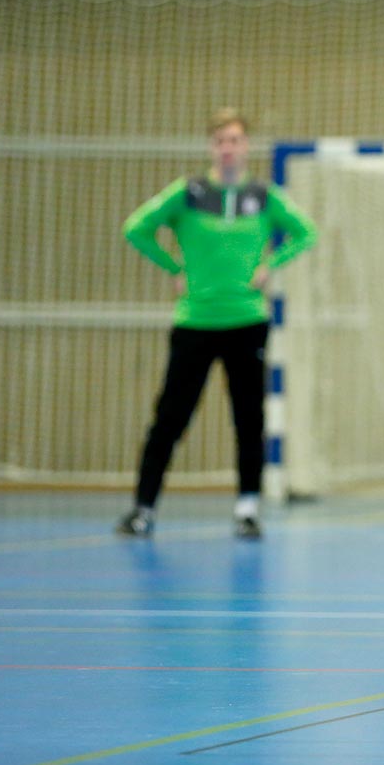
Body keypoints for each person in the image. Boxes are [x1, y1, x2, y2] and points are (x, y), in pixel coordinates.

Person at [117, 109, 317, 539]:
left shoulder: (264, 196)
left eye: (236, 140)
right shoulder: (188, 193)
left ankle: (247, 508)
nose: (228, 148)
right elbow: (136, 228)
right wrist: (173, 267)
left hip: (247, 321)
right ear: (212, 147)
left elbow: (306, 232)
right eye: (221, 141)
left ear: (246, 148)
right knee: (170, 418)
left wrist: (271, 264)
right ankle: (143, 509)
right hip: (195, 321)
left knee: (248, 419)